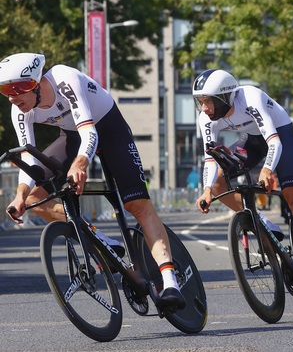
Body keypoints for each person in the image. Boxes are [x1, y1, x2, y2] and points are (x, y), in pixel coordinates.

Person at [0, 53, 185, 309]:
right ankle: (104, 242)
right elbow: (28, 158)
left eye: (16, 88)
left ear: (38, 82)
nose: (12, 96)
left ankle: (170, 281)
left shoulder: (65, 79)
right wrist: (20, 195)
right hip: (73, 136)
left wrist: (81, 162)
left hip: (108, 129)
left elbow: (90, 132)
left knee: (137, 205)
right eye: (4, 90)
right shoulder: (20, 110)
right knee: (33, 196)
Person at [193, 69, 293, 298]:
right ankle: (265, 223)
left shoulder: (250, 97)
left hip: (279, 135)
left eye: (208, 102)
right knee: (218, 183)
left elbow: (274, 143)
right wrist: (206, 190)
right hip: (253, 140)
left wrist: (267, 170)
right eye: (200, 102)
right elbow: (209, 158)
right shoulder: (206, 118)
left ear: (224, 97)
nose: (204, 108)